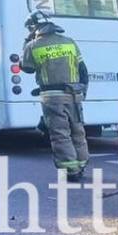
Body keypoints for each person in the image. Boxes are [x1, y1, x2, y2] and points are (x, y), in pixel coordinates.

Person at [21, 11, 89, 181]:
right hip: (74, 94)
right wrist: (82, 90)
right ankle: (81, 164)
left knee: (60, 134)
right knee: (77, 131)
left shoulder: (34, 46)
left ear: (34, 27)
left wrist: (27, 42)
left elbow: (26, 67)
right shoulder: (69, 42)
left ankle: (71, 171)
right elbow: (82, 70)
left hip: (52, 97)